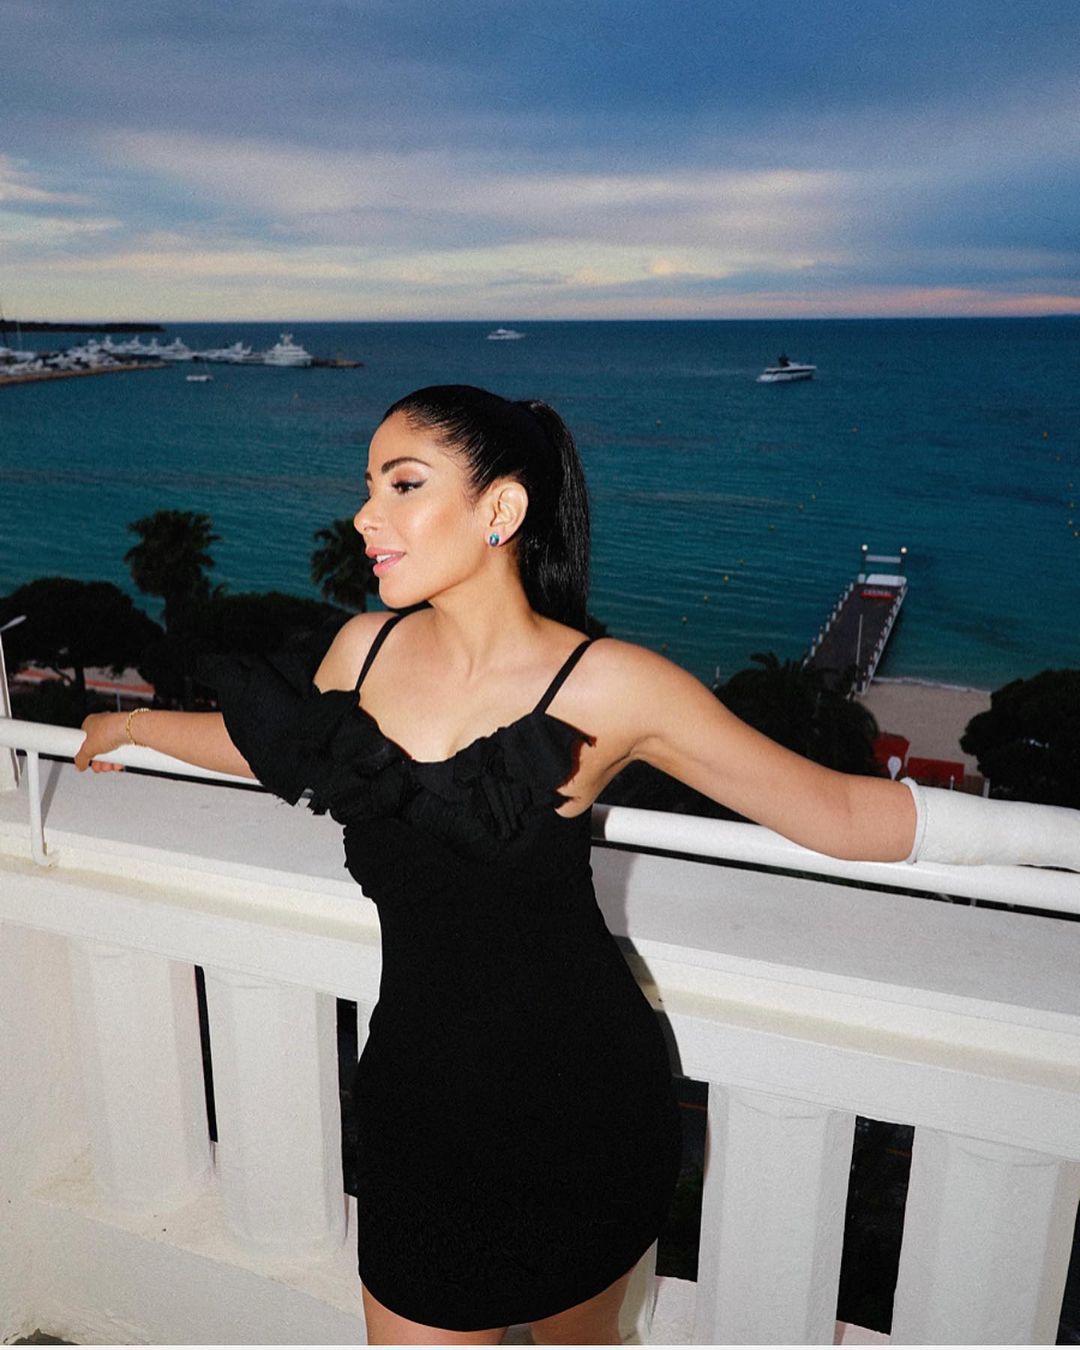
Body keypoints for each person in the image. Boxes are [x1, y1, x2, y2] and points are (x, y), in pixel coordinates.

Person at [75, 385, 1080, 1346]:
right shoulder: (363, 652)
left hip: (582, 1108)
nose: (364, 515)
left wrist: (1059, 838)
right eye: (368, 485)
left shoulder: (608, 684)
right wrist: (129, 725)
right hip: (419, 1107)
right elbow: (274, 746)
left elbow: (844, 812)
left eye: (403, 484)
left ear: (500, 509)